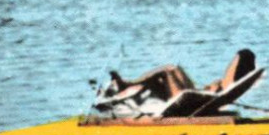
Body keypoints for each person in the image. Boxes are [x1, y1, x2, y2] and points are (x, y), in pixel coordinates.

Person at [106, 49, 257, 106]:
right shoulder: (228, 85)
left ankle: (127, 84)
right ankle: (126, 86)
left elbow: (242, 56)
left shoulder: (228, 84)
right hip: (192, 96)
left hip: (187, 100)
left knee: (167, 72)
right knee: (173, 67)